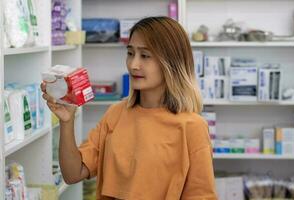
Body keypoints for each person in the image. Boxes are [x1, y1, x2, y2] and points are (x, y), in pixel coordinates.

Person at [41, 16, 217, 200]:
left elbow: (201, 196)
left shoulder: (192, 126)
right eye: (130, 53)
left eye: (145, 56)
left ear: (172, 63)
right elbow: (73, 174)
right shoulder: (115, 113)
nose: (133, 65)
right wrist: (66, 122)